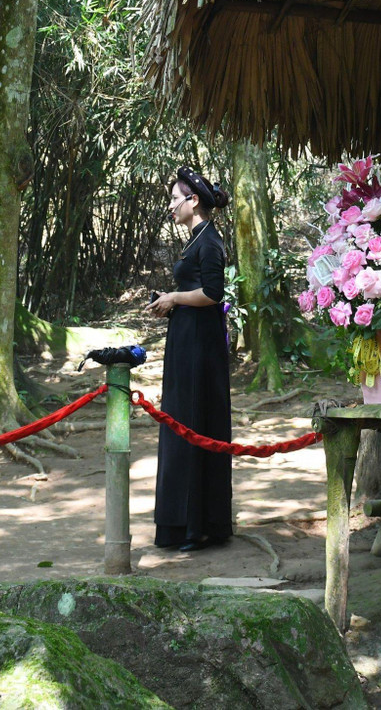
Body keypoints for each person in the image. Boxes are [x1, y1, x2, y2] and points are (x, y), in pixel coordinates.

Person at [149, 167, 233, 552]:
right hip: (187, 341)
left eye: (173, 199)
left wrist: (174, 298)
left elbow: (214, 293)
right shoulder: (196, 239)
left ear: (193, 201)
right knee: (181, 421)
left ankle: (198, 525)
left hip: (201, 347)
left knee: (196, 420)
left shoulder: (210, 241)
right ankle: (180, 522)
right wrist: (171, 302)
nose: (170, 206)